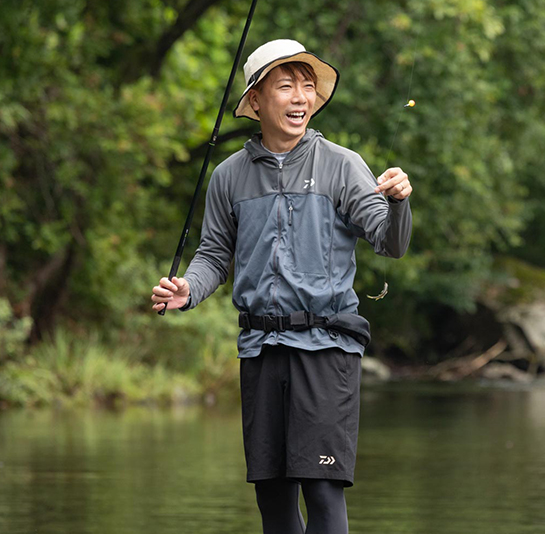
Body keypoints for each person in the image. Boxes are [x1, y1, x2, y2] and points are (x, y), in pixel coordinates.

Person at [150, 39, 412, 534]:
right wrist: (188, 289)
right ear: (255, 101)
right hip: (260, 350)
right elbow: (212, 257)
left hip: (327, 349)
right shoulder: (229, 177)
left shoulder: (342, 165)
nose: (300, 98)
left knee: (322, 491)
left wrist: (398, 203)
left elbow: (389, 242)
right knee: (273, 499)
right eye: (285, 86)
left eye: (307, 87)